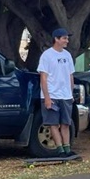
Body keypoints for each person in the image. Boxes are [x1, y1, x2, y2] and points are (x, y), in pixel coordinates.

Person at [37, 28, 76, 157]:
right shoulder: (47, 55)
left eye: (67, 38)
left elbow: (70, 75)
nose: (67, 41)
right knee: (53, 123)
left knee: (66, 123)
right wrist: (47, 98)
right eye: (64, 38)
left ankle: (67, 148)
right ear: (56, 39)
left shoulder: (67, 55)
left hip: (65, 95)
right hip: (52, 95)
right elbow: (43, 77)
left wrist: (70, 93)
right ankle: (59, 149)